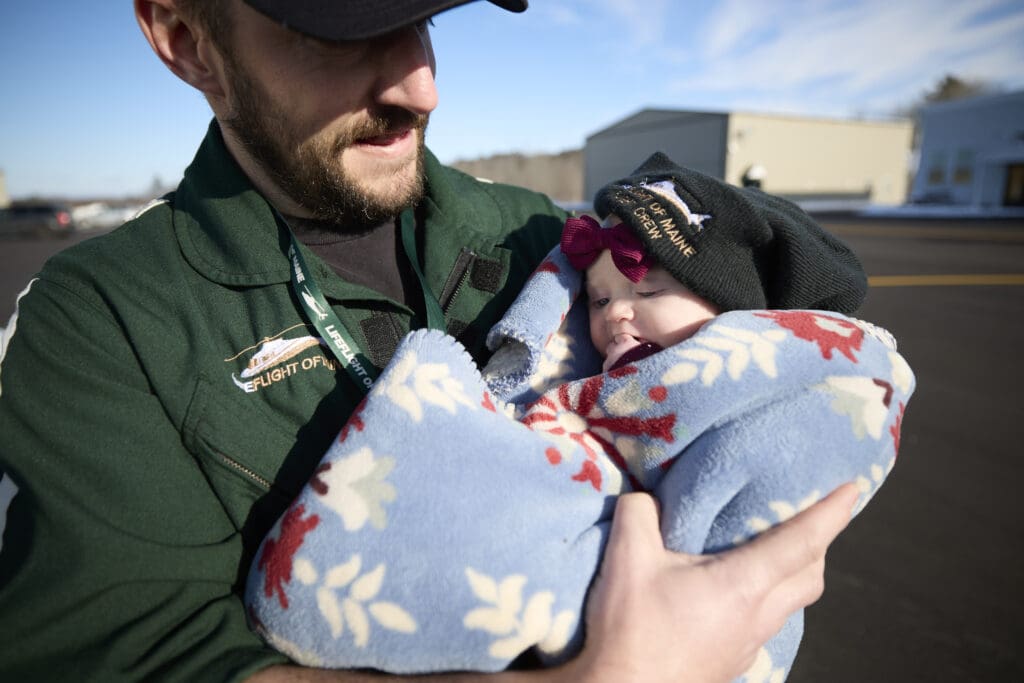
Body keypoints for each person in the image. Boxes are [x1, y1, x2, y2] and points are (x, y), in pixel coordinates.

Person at [0, 1, 860, 681]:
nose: (421, 86)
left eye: (425, 18)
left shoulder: (543, 234)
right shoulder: (99, 320)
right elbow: (126, 651)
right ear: (188, 42)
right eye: (342, 27)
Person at [242, 153, 913, 679]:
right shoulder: (593, 372)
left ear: (737, 313)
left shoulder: (749, 378)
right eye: (596, 298)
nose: (615, 313)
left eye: (648, 289)